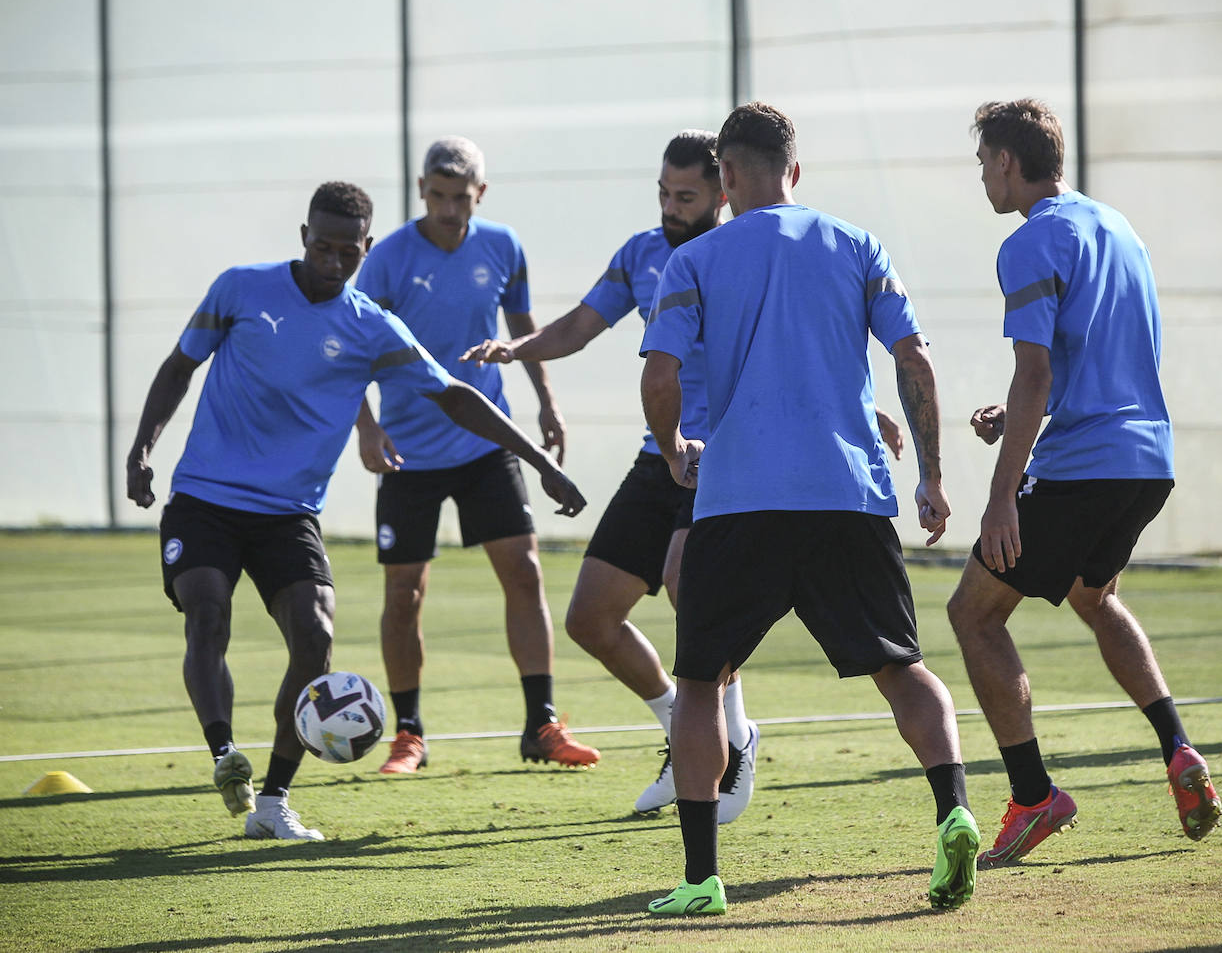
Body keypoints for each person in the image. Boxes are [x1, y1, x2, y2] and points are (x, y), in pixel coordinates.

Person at [126, 182, 585, 841]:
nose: (333, 262)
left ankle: (273, 802)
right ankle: (226, 753)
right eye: (322, 246)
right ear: (303, 235)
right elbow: (179, 367)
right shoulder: (240, 289)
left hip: (289, 513)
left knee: (315, 636)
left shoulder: (371, 326)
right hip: (206, 497)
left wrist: (542, 465)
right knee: (208, 610)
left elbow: (454, 396)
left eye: (348, 251)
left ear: (367, 248)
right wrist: (142, 450)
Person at [638, 102, 980, 915]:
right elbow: (914, 361)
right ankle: (955, 810)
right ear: (795, 170)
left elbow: (658, 377)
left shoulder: (695, 261)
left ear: (724, 178)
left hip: (739, 500)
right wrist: (932, 475)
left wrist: (678, 446)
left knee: (699, 684)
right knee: (903, 666)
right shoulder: (858, 245)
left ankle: (700, 879)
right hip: (847, 495)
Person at [948, 98, 1222, 870]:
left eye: (982, 165)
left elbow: (1032, 370)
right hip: (1146, 461)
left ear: (1007, 160)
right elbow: (1092, 358)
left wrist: (1004, 495)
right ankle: (1177, 748)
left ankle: (1034, 796)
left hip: (1081, 468)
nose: (982, 181)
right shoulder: (1118, 227)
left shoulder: (1030, 241)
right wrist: (1025, 414)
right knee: (1094, 596)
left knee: (973, 614)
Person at [462, 131, 764, 822]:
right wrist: (518, 348)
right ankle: (682, 733)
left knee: (693, 587)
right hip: (661, 451)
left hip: (725, 455)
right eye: (663, 191)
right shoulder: (641, 253)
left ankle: (732, 743)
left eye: (685, 195)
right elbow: (580, 324)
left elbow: (797, 342)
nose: (669, 205)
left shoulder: (747, 252)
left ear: (723, 193)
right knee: (590, 618)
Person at [353, 137, 599, 773]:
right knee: (405, 591)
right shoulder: (386, 260)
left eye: (460, 198)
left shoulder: (502, 245)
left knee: (524, 573)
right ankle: (408, 734)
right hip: (408, 450)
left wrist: (546, 401)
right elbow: (353, 348)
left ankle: (540, 725)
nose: (449, 209)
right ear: (421, 190)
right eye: (437, 196)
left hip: (488, 441)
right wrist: (368, 427)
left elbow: (524, 332)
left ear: (479, 195)